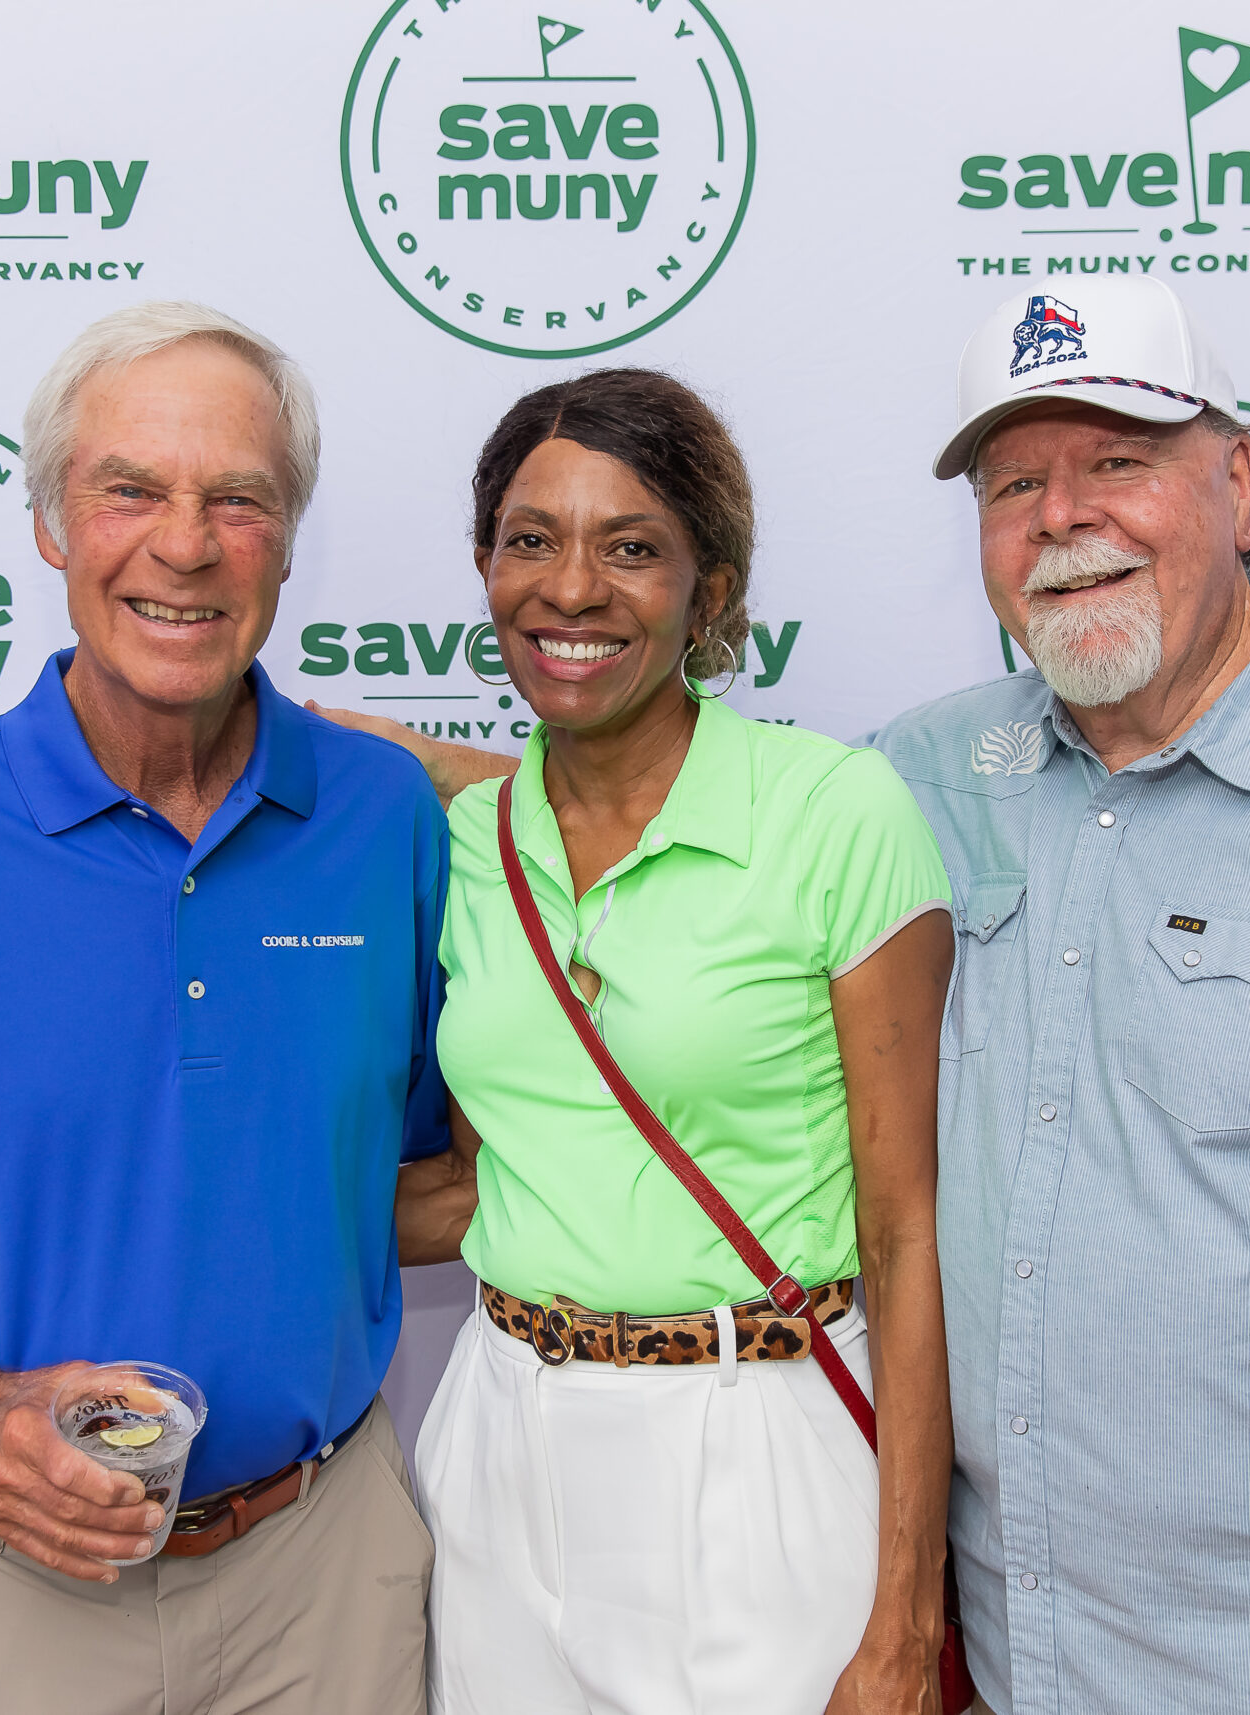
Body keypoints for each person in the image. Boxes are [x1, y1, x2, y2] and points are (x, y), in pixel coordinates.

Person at [358, 281, 1250, 1715]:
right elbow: (677, 817)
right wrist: (343, 757)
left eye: (1118, 463)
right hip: (1028, 1657)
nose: (1064, 516)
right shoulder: (920, 782)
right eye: (1015, 484)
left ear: (1240, 485)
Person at [0, 301, 443, 1714]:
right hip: (1, 1584)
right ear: (52, 523)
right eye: (130, 491)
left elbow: (421, 1165)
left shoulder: (384, 819)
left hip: (322, 1579)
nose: (183, 545)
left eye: (238, 498)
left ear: (288, 539)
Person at [374, 368, 957, 1715]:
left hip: (756, 1438)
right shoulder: (466, 844)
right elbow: (490, 1169)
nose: (570, 589)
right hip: (501, 1437)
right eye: (532, 540)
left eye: (632, 548)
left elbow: (908, 1230)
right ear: (484, 567)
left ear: (714, 590)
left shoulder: (834, 814)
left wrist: (906, 1615)